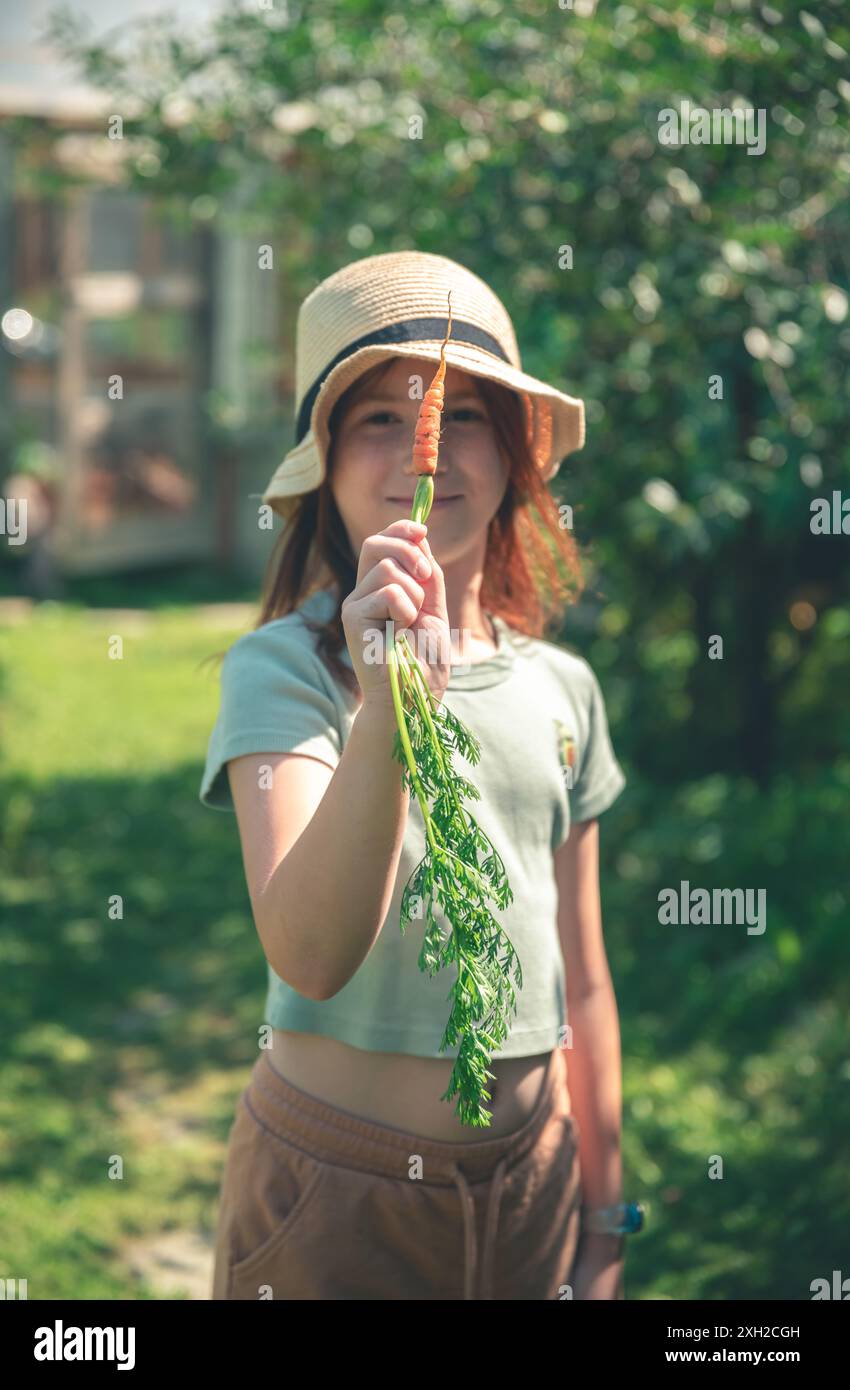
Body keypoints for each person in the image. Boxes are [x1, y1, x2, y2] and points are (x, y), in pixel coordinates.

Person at [199, 250, 631, 1300]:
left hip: (529, 1179)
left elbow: (581, 976)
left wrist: (603, 1214)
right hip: (334, 1195)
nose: (418, 451)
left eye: (459, 415)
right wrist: (392, 696)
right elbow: (308, 951)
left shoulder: (561, 686)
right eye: (377, 420)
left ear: (515, 455)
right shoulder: (284, 671)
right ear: (326, 462)